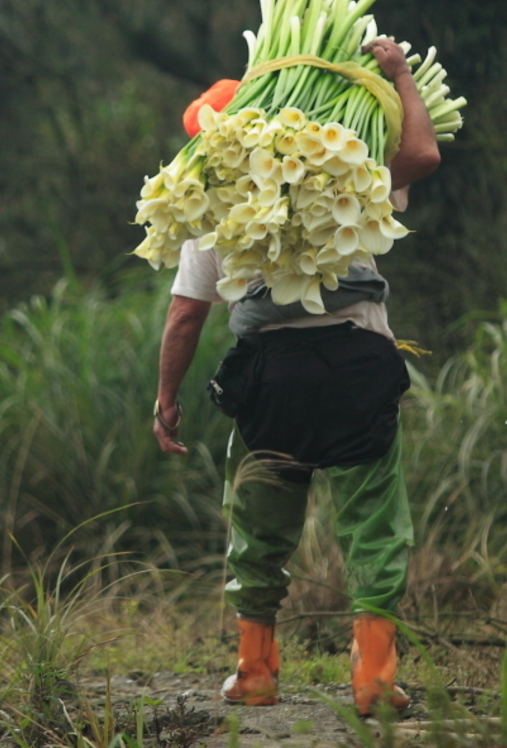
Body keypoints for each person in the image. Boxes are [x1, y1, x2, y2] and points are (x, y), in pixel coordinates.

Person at [151, 37, 440, 714]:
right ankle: (372, 680)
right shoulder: (345, 170)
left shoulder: (212, 200)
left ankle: (254, 673)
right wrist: (397, 72)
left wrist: (166, 399)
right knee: (372, 523)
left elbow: (185, 318)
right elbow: (424, 154)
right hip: (357, 369)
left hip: (270, 380)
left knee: (258, 523)